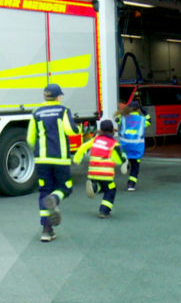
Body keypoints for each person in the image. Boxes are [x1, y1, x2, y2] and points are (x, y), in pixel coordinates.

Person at [27, 83, 82, 242]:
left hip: (42, 159)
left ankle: (46, 231)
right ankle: (55, 199)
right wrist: (78, 129)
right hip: (59, 158)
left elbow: (30, 139)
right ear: (58, 97)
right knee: (65, 187)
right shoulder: (63, 110)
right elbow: (70, 130)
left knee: (44, 191)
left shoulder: (36, 113)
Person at [73, 119, 126, 218]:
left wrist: (76, 159)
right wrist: (124, 161)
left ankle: (94, 187)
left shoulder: (95, 140)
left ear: (100, 130)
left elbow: (83, 147)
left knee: (102, 186)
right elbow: (118, 160)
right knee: (111, 190)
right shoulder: (114, 144)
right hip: (106, 174)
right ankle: (104, 211)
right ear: (112, 131)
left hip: (93, 172)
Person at [118, 100, 148, 191]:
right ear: (138, 109)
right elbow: (149, 120)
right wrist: (144, 111)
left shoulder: (123, 118)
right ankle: (131, 185)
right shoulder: (142, 119)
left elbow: (117, 119)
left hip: (125, 145)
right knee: (135, 166)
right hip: (137, 147)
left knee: (127, 157)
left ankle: (125, 162)